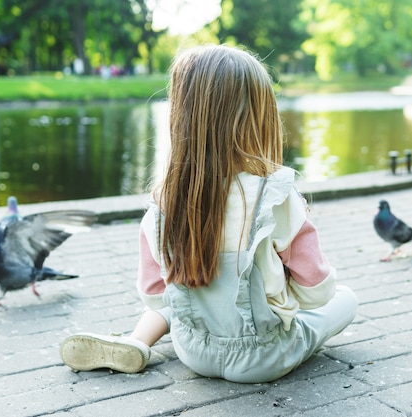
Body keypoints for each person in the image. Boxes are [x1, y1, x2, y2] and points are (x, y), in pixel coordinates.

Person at [59, 44, 358, 383]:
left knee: (180, 297)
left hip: (195, 352)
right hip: (263, 355)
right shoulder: (275, 196)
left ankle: (137, 341)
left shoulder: (162, 204)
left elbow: (156, 295)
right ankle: (144, 340)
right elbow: (317, 291)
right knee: (345, 299)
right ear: (258, 119)